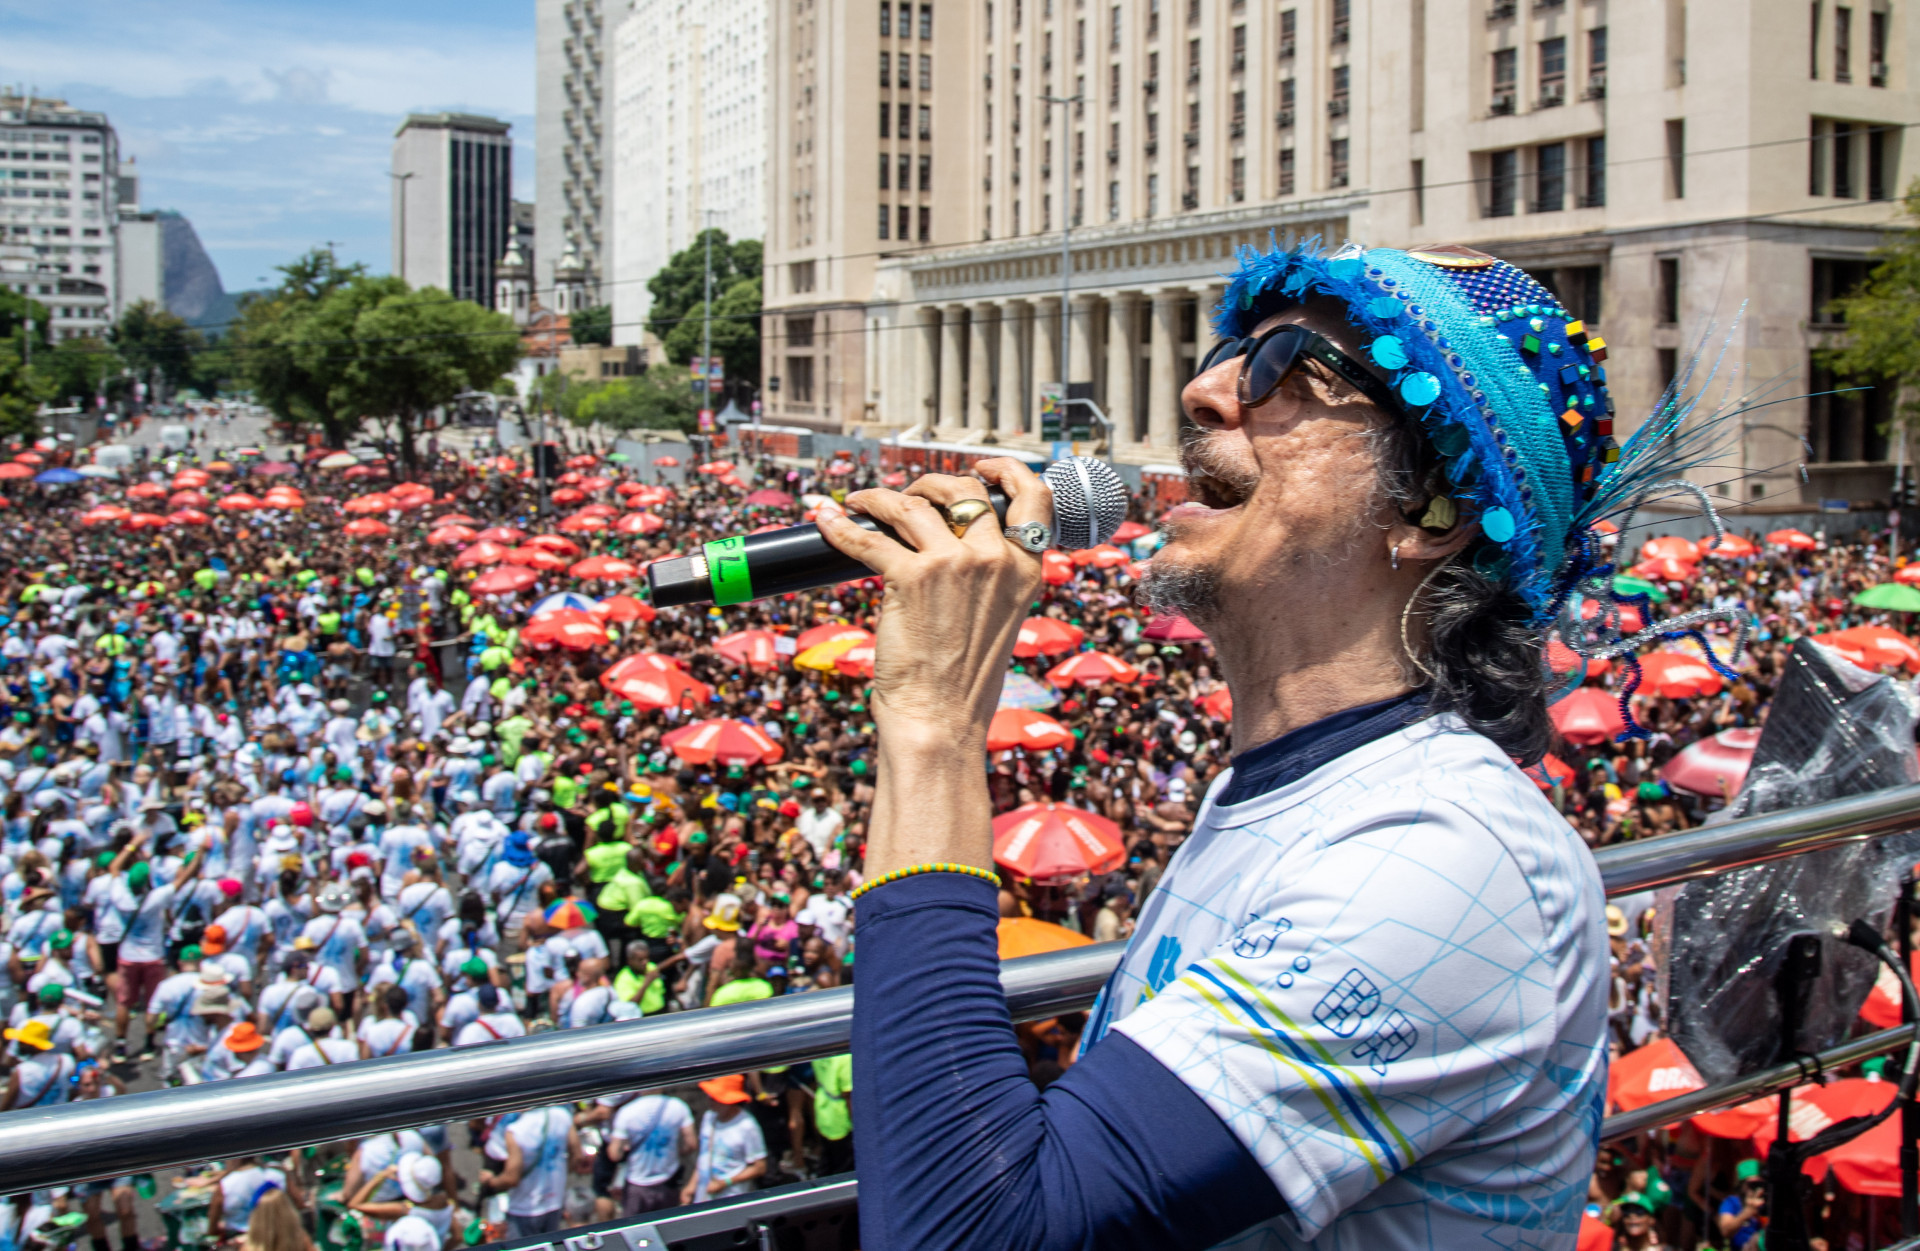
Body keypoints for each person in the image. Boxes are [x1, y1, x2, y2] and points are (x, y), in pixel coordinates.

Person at [817, 243, 1629, 1248]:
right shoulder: (1301, 792)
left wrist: (936, 727)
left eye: (1283, 367)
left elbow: (972, 1234)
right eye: (1225, 354)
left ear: (1436, 509)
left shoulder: (1439, 858)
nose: (1201, 393)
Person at [479, 1104, 579, 1240]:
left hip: (524, 1207)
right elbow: (577, 1154)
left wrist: (490, 1182)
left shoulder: (516, 1131)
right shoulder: (561, 1115)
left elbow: (511, 1178)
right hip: (554, 1201)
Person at [605, 1091, 696, 1216]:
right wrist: (675, 1153)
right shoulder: (677, 1106)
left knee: (634, 1230)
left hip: (637, 1183)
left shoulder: (627, 1112)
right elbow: (691, 1144)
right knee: (668, 1227)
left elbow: (614, 1154)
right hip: (668, 1180)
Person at [683, 1076, 766, 1205]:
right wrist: (691, 1187)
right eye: (710, 1096)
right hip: (703, 1198)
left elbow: (760, 1167)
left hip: (731, 1200)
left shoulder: (747, 1126)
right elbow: (704, 1156)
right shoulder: (709, 1117)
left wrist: (725, 1182)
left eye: (715, 1098)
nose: (710, 1101)